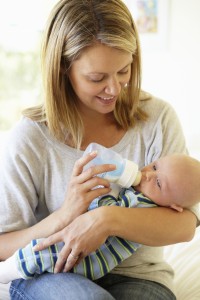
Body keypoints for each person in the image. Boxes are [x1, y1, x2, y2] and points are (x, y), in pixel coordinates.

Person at [0, 0, 199, 299]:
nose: (115, 89)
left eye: (123, 70)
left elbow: (185, 225)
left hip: (138, 277)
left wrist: (105, 220)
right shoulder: (30, 139)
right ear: (63, 69)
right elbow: (3, 245)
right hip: (52, 273)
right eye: (97, 78)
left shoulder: (157, 118)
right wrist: (66, 215)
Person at [1, 153, 200, 285]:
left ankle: (5, 272)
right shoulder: (141, 194)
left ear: (175, 207)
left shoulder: (144, 204)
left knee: (41, 256)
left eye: (158, 182)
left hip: (88, 261)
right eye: (155, 165)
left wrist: (103, 204)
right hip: (76, 263)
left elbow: (186, 227)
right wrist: (64, 214)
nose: (147, 174)